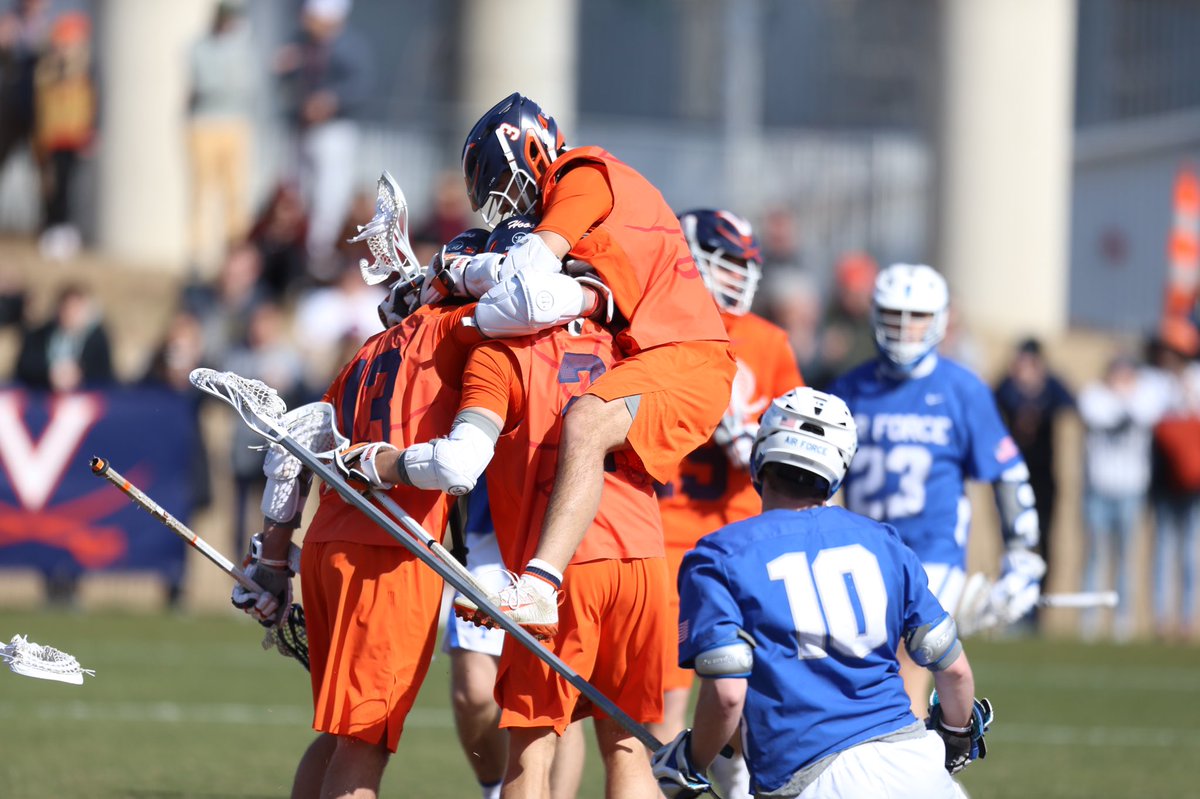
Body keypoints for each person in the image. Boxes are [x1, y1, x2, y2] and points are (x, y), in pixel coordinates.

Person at [339, 216, 669, 798]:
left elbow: (461, 462)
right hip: (644, 550)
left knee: (530, 752)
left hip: (565, 561)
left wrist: (377, 462)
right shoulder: (619, 342)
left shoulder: (496, 357)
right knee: (627, 744)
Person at [451, 91, 736, 639]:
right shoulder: (601, 213)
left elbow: (527, 276)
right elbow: (571, 291)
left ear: (526, 153)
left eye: (501, 183)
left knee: (585, 420)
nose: (507, 205)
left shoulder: (583, 174)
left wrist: (457, 276)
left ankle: (539, 584)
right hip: (663, 355)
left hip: (686, 355)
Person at [230, 221, 489, 799]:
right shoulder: (466, 333)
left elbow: (293, 447)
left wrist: (274, 559)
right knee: (363, 743)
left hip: (328, 545)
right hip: (390, 552)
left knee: (339, 733)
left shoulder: (371, 348)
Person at [652, 387, 991, 799]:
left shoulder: (718, 555)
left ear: (761, 456)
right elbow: (953, 670)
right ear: (838, 470)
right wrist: (956, 737)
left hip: (810, 778)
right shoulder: (883, 541)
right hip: (914, 763)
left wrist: (690, 761)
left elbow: (727, 693)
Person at [827, 263, 1043, 714]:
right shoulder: (850, 388)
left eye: (917, 316)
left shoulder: (961, 388)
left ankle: (909, 771)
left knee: (910, 664)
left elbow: (1007, 475)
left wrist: (1022, 556)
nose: (905, 329)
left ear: (942, 319)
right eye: (893, 315)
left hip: (933, 552)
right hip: (865, 554)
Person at [652, 207, 803, 799]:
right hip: (665, 532)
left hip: (743, 535)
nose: (739, 275)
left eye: (746, 264)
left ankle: (737, 779)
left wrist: (751, 442)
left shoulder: (767, 343)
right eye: (728, 261)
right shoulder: (657, 328)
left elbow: (799, 453)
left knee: (751, 691)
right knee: (665, 697)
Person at [275, 0, 371, 279]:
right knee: (301, 192)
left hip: (335, 130)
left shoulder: (349, 46)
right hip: (305, 130)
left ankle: (321, 255)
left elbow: (361, 85)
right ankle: (301, 251)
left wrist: (332, 100)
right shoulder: (302, 44)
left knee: (330, 195)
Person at [1078, 351, 1159, 642]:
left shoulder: (1146, 394)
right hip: (1098, 489)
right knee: (1095, 557)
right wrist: (1123, 399)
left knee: (1126, 557)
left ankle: (1123, 621)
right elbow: (1104, 417)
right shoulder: (1094, 395)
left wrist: (1126, 398)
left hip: (1131, 490)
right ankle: (1090, 620)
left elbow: (1143, 414)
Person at [993, 337, 1075, 594]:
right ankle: (1015, 596)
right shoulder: (1007, 387)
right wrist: (1020, 389)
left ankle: (1040, 599)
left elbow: (1070, 402)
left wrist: (1039, 389)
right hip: (1012, 478)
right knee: (1014, 542)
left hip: (1043, 478)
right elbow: (995, 398)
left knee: (1046, 540)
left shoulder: (1050, 387)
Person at [186, 0, 256, 275]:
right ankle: (197, 256)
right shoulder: (199, 47)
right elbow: (206, 84)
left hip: (235, 124)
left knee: (235, 194)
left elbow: (248, 84)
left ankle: (234, 256)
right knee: (202, 192)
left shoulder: (243, 47)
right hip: (203, 124)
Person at [1145, 319, 1200, 642]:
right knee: (1164, 549)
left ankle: (1187, 619)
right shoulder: (1155, 383)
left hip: (1193, 483)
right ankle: (1163, 619)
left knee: (1191, 553)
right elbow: (1148, 413)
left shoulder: (1194, 380)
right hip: (1164, 480)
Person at [33, 10, 94, 261]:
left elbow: (91, 103)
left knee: (69, 187)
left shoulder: (85, 70)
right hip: (51, 138)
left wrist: (91, 132)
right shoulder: (47, 69)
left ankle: (65, 234)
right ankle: (51, 230)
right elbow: (41, 104)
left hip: (74, 137)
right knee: (50, 189)